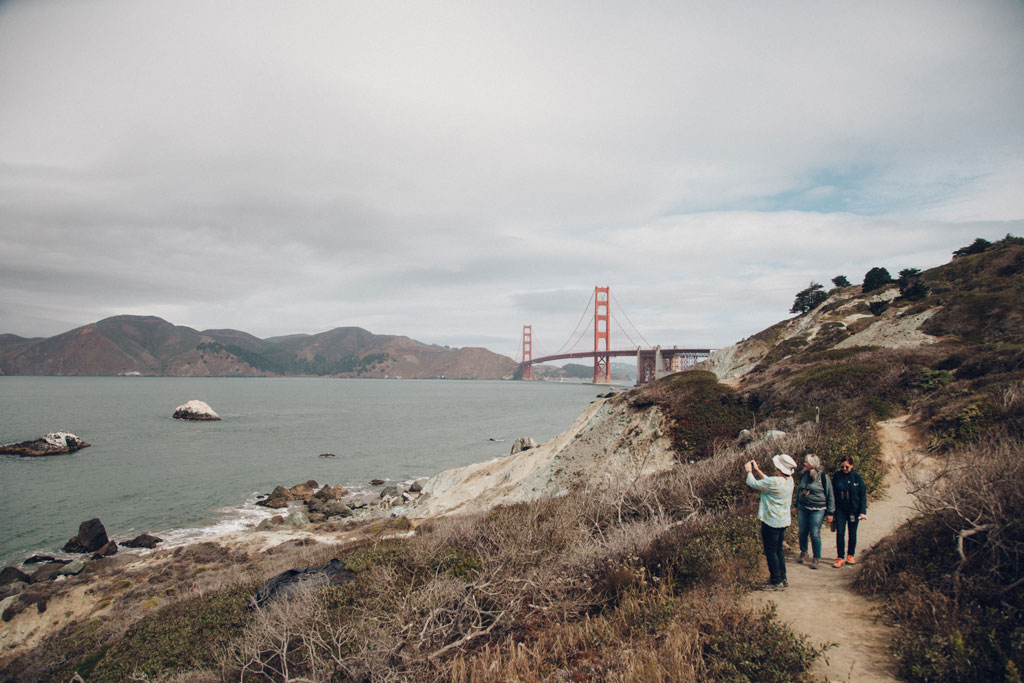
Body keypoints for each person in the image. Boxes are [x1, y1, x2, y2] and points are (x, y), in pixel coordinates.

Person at [744, 453, 797, 591]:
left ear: (779, 468)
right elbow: (769, 482)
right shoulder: (790, 480)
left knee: (771, 551)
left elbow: (753, 483)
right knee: (778, 549)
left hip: (771, 521)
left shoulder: (774, 482)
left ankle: (775, 581)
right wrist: (758, 470)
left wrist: (749, 471)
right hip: (783, 521)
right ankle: (782, 577)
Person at [795, 454, 834, 569]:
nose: (804, 464)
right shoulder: (803, 475)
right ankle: (804, 551)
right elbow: (799, 490)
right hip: (803, 507)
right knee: (802, 531)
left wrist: (830, 512)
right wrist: (796, 504)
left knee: (815, 533)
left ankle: (816, 557)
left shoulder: (823, 477)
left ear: (812, 464)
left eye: (806, 462)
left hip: (818, 509)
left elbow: (830, 494)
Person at [831, 454, 867, 567]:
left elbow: (862, 495)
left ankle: (850, 555)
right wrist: (831, 511)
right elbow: (832, 494)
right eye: (842, 467)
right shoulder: (837, 476)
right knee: (840, 532)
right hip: (840, 509)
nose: (845, 469)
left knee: (852, 533)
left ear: (851, 465)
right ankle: (840, 557)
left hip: (853, 510)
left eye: (847, 467)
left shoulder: (857, 477)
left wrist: (862, 511)